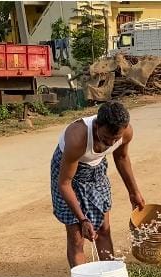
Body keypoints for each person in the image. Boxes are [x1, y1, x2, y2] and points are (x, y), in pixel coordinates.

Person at [51, 101, 145, 267]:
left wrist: (133, 192)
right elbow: (65, 184)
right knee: (77, 237)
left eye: (115, 139)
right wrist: (82, 219)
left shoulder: (126, 132)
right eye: (106, 137)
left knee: (103, 229)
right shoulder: (77, 137)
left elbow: (121, 158)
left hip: (96, 169)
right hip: (68, 172)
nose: (110, 143)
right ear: (96, 125)